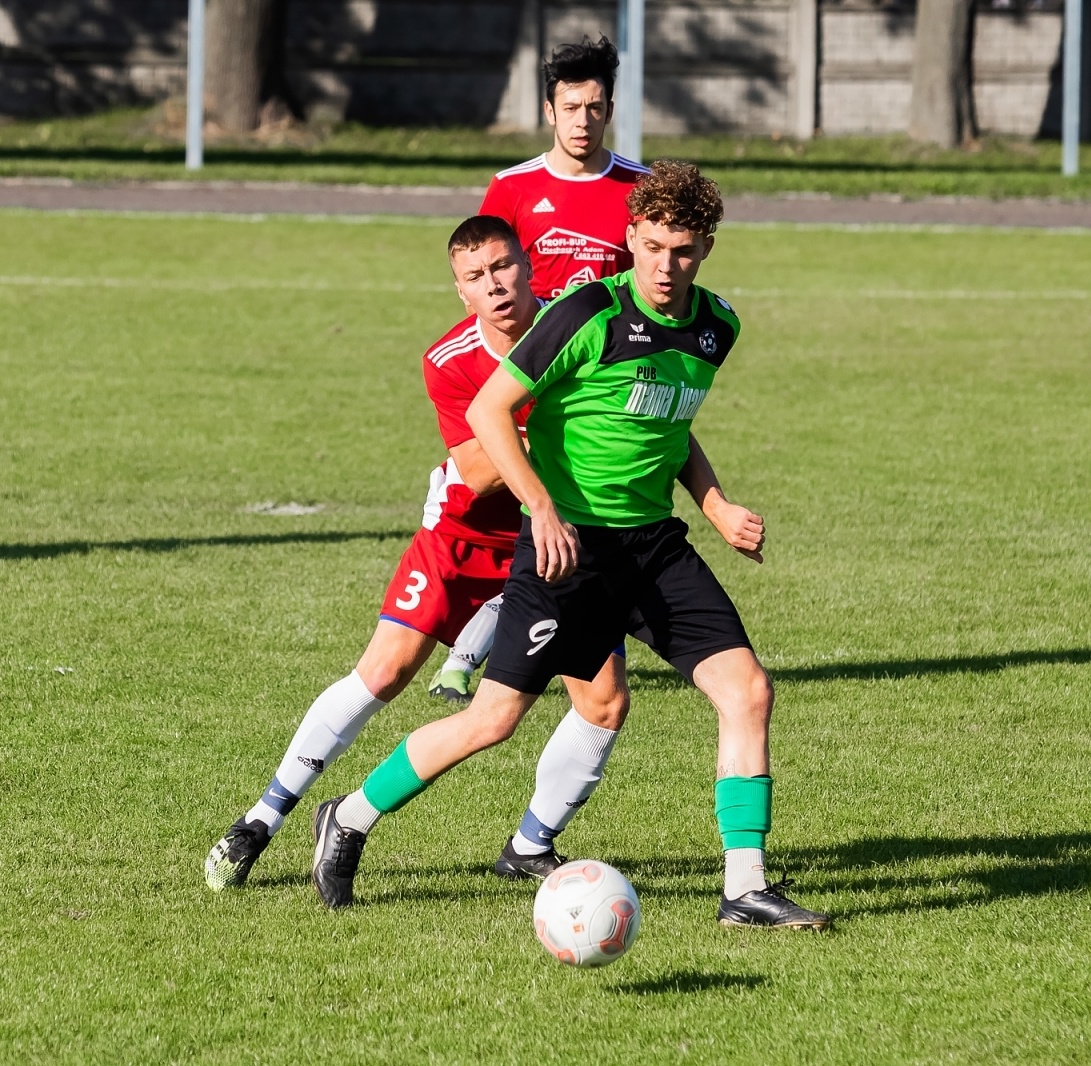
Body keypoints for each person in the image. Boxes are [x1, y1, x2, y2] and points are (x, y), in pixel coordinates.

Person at [310, 162, 834, 930]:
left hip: (654, 547)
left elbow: (667, 422)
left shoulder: (716, 327)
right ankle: (349, 817)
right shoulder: (590, 311)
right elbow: (493, 410)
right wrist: (542, 508)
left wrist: (716, 506)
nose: (664, 265)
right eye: (650, 246)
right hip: (568, 551)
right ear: (630, 239)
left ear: (707, 248)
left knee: (747, 691)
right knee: (492, 721)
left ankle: (744, 889)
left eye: (681, 250)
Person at [204, 215, 629, 890]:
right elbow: (481, 471)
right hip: (465, 538)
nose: (494, 287)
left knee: (603, 700)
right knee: (387, 671)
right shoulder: (449, 359)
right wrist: (540, 410)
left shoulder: (580, 328)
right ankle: (263, 817)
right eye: (475, 277)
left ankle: (530, 843)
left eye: (503, 268)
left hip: (554, 537)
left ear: (528, 266)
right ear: (460, 291)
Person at [425, 35, 646, 702]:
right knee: (524, 518)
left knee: (575, 527)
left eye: (595, 107)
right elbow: (482, 279)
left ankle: (487, 656)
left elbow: (649, 298)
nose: (583, 120)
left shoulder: (638, 188)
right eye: (570, 107)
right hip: (516, 385)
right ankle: (487, 650)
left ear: (610, 108)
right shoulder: (512, 188)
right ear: (549, 110)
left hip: (592, 392)